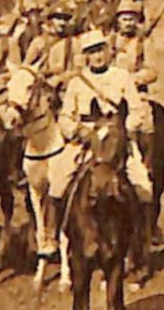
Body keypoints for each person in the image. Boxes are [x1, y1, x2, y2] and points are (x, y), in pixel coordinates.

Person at [58, 30, 154, 201]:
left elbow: (136, 109)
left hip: (117, 137)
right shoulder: (77, 82)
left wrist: (124, 128)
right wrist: (78, 131)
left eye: (100, 50)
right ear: (86, 56)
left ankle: (145, 227)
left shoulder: (122, 76)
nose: (97, 56)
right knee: (58, 181)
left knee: (143, 186)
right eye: (92, 52)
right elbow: (65, 117)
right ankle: (56, 227)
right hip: (86, 139)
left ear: (108, 51)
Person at [24, 1, 80, 89]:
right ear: (51, 20)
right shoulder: (39, 42)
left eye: (65, 19)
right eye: (58, 18)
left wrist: (63, 77)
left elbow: (79, 68)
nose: (62, 22)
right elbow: (27, 65)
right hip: (43, 83)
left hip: (68, 84)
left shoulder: (75, 42)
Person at [110, 0, 156, 93]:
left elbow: (152, 72)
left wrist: (137, 78)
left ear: (136, 21)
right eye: (124, 20)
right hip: (112, 88)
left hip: (136, 89)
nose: (128, 23)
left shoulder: (143, 42)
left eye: (131, 20)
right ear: (118, 21)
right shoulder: (111, 41)